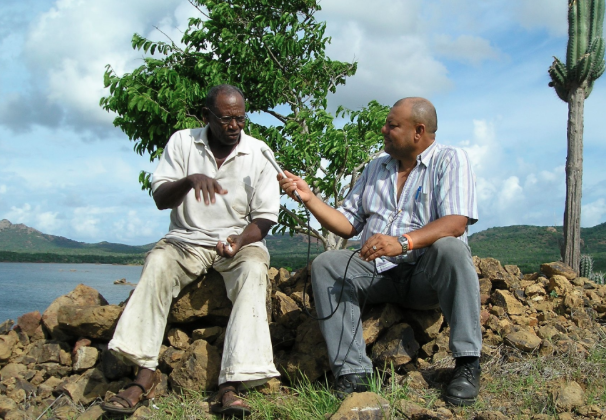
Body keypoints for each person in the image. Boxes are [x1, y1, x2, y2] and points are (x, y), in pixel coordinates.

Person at [278, 97, 482, 406]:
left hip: (424, 276)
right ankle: (353, 372)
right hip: (376, 273)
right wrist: (309, 198)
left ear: (419, 131)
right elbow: (347, 225)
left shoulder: (451, 160)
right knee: (327, 264)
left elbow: (456, 222)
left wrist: (402, 242)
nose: (383, 129)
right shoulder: (376, 167)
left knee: (451, 248)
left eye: (392, 125)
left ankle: (467, 364)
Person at [102, 84, 280, 417]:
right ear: (206, 117)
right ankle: (144, 375)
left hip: (239, 242)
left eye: (240, 119)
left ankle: (232, 384)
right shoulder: (183, 142)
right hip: (186, 238)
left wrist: (240, 241)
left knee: (254, 271)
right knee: (156, 262)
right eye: (226, 119)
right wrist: (189, 180)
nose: (234, 127)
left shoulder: (259, 152)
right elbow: (160, 199)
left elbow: (265, 218)